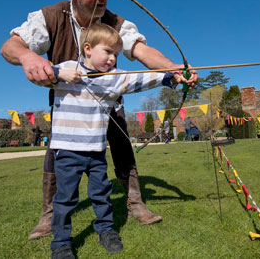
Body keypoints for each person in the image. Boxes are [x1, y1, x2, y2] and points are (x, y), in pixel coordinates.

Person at [0, 0, 198, 240]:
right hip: (68, 106)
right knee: (55, 156)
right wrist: (29, 57)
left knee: (121, 145)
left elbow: (142, 52)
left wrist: (174, 69)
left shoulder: (115, 23)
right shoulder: (50, 16)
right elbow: (10, 46)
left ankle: (135, 203)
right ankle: (49, 216)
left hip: (107, 102)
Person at [44, 23, 177, 258]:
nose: (113, 58)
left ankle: (106, 230)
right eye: (108, 52)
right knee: (65, 199)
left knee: (101, 193)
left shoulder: (115, 78)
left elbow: (142, 79)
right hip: (67, 151)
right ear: (88, 48)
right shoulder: (67, 69)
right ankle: (61, 243)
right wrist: (58, 74)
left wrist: (172, 77)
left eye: (116, 54)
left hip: (96, 151)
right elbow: (38, 74)